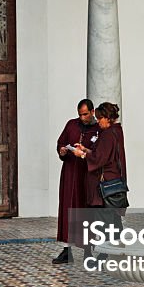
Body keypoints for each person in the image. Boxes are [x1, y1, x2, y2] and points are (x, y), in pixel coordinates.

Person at [53, 99, 99, 263]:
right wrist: (63, 151)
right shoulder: (71, 125)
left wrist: (85, 152)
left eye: (85, 114)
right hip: (70, 174)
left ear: (92, 112)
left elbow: (99, 153)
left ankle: (88, 251)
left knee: (86, 212)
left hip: (86, 176)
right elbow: (60, 143)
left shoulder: (97, 129)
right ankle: (67, 251)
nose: (82, 117)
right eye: (80, 114)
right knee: (68, 210)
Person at [74, 103, 127, 232]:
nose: (98, 122)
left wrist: (81, 155)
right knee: (114, 222)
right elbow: (104, 154)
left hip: (106, 185)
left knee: (106, 223)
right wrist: (86, 149)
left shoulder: (108, 134)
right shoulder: (117, 131)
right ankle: (113, 250)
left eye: (100, 118)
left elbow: (99, 159)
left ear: (108, 118)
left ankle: (107, 251)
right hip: (115, 182)